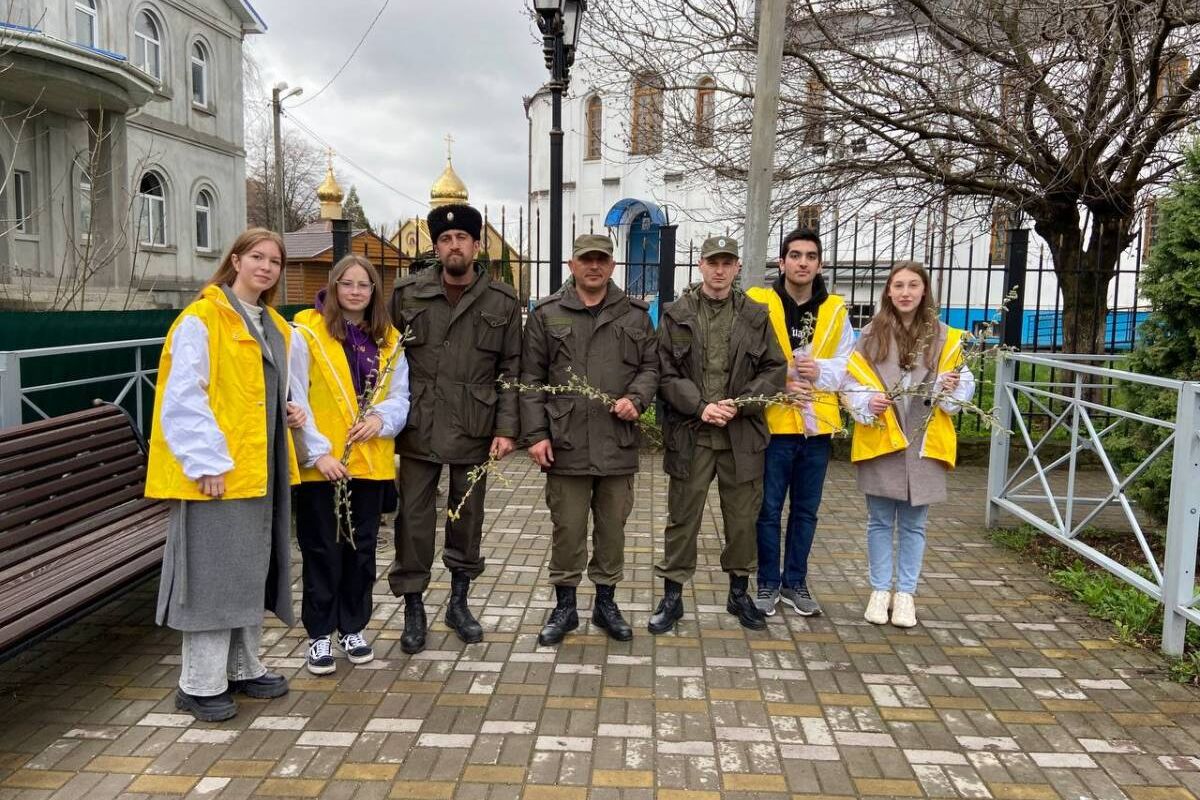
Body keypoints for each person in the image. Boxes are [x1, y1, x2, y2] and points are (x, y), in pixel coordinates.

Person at [146, 228, 303, 722]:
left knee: (250, 570)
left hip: (261, 469)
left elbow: (263, 391)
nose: (266, 266)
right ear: (235, 260)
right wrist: (207, 463)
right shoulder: (203, 318)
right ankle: (198, 684)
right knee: (213, 578)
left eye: (275, 261)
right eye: (257, 256)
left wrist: (293, 413)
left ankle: (242, 668)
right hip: (219, 473)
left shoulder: (273, 324)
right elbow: (184, 394)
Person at [386, 203, 521, 654]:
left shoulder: (501, 300)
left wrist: (506, 428)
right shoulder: (407, 295)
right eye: (445, 239)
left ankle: (459, 602)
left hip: (475, 424)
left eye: (462, 237)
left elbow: (511, 368)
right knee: (413, 520)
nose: (454, 245)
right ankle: (414, 606)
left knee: (467, 517)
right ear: (436, 247)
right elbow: (387, 359)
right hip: (420, 424)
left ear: (477, 244)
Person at [520, 234, 659, 646]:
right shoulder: (546, 314)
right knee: (568, 527)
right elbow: (531, 380)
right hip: (565, 442)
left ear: (613, 266)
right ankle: (565, 607)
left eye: (601, 259)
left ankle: (605, 602)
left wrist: (637, 399)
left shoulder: (635, 315)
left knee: (613, 527)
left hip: (616, 441)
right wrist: (536, 435)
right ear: (572, 264)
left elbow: (651, 367)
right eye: (586, 260)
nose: (594, 266)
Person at [649, 236, 787, 634]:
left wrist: (740, 404)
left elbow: (775, 369)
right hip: (691, 434)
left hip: (741, 435)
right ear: (700, 265)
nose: (720, 270)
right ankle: (672, 596)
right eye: (713, 262)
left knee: (743, 520)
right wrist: (701, 406)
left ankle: (738, 593)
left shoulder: (755, 314)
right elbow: (665, 373)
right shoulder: (676, 313)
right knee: (683, 519)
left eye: (727, 262)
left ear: (738, 267)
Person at [289, 254, 410, 674]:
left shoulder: (389, 339)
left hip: (369, 462)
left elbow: (400, 396)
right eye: (348, 283)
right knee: (321, 547)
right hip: (321, 465)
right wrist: (316, 452)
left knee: (360, 550)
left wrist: (379, 420)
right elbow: (296, 397)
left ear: (374, 291)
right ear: (335, 286)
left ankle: (353, 626)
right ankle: (320, 634)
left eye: (364, 284)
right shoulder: (307, 332)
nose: (356, 291)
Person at [842, 261, 975, 628]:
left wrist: (950, 389)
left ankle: (906, 596)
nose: (904, 292)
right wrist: (867, 403)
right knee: (880, 521)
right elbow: (851, 384)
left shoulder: (947, 338)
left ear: (923, 291)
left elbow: (964, 385)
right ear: (888, 291)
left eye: (912, 285)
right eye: (898, 285)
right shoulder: (869, 336)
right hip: (883, 439)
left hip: (923, 440)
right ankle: (880, 590)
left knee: (915, 524)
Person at [746, 229, 854, 617]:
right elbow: (746, 358)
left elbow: (848, 366)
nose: (802, 262)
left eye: (810, 256)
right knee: (768, 509)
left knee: (806, 510)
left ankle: (795, 582)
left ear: (820, 264)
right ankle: (767, 584)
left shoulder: (835, 310)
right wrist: (782, 379)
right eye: (795, 255)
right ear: (782, 262)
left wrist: (818, 369)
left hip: (817, 426)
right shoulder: (759, 303)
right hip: (773, 425)